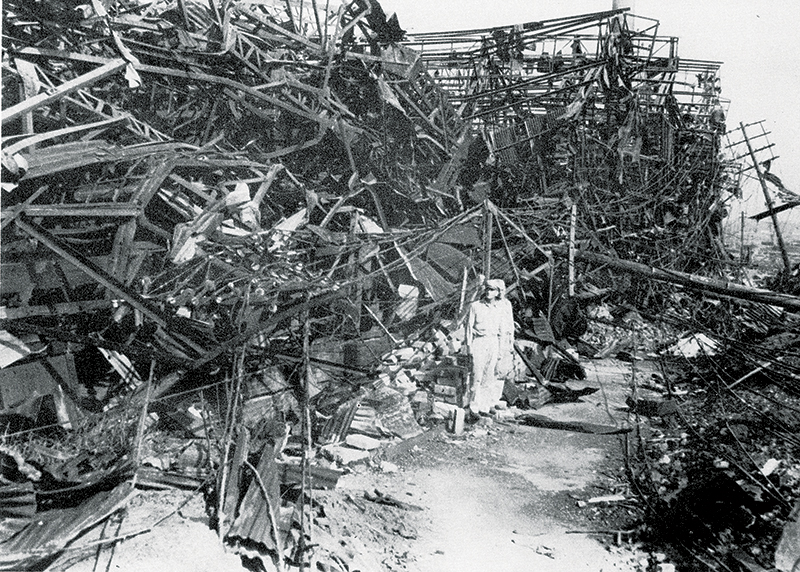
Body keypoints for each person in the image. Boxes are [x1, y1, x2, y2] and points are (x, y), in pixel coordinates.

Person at [464, 278, 515, 419]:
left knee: (489, 377)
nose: (488, 292)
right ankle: (473, 407)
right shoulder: (476, 306)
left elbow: (504, 328)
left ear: (498, 292)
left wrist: (503, 348)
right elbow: (469, 328)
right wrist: (469, 347)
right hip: (479, 342)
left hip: (493, 342)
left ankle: (484, 407)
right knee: (476, 375)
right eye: (487, 289)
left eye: (492, 289)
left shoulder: (499, 308)